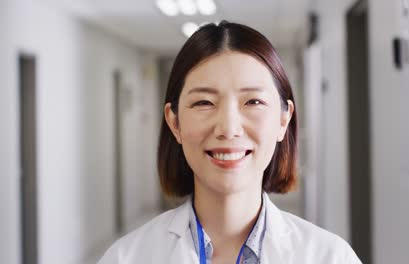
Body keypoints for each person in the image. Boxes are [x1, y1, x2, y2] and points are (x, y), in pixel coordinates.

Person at [98, 21, 362, 264]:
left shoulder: (331, 257)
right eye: (204, 103)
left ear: (283, 120)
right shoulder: (126, 258)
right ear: (174, 122)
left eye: (253, 102)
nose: (229, 128)